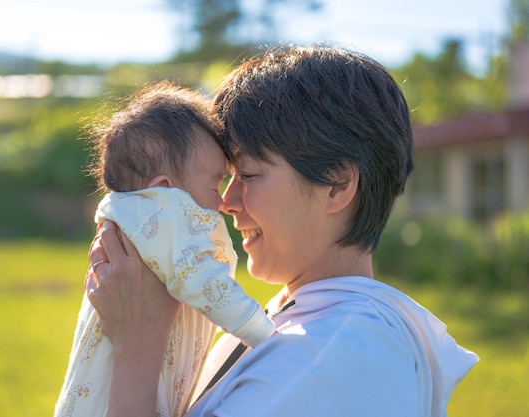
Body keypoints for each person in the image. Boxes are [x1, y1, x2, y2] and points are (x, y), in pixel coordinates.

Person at [86, 44, 479, 417]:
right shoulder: (302, 318)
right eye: (227, 176)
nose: (226, 201)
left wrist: (137, 340)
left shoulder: (335, 353)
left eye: (249, 175)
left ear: (338, 184)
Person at [54, 81, 275, 417]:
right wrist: (264, 333)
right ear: (163, 190)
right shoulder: (163, 213)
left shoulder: (138, 220)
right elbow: (200, 279)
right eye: (214, 183)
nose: (223, 200)